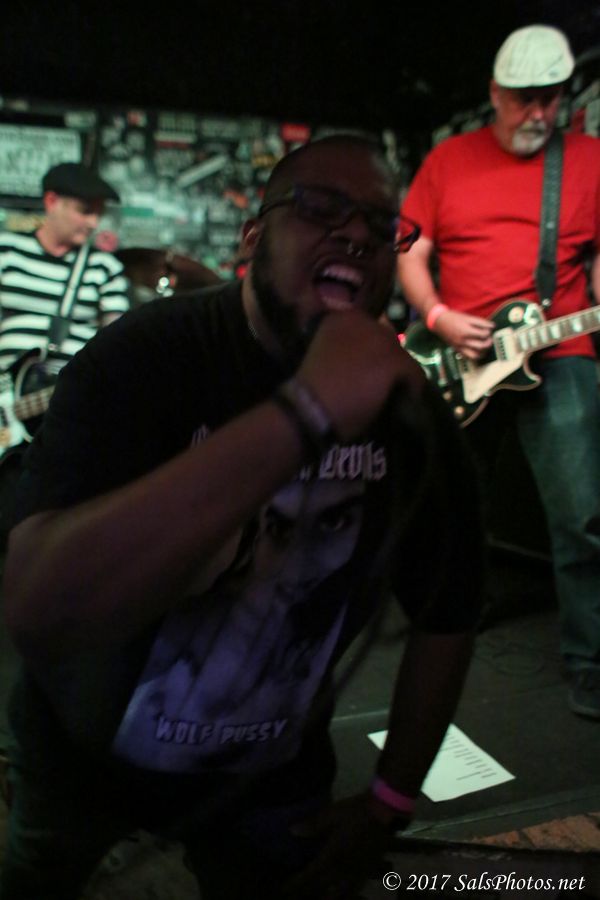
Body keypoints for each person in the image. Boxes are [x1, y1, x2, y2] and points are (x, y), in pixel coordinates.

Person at [0, 135, 483, 900]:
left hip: (272, 785)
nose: (356, 233)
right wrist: (308, 410)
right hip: (79, 770)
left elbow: (449, 608)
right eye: (321, 207)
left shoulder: (407, 409)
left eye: (380, 223)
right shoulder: (144, 355)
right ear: (254, 236)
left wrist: (390, 800)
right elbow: (39, 605)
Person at [397, 24, 600, 720]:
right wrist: (439, 315)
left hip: (560, 349)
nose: (537, 113)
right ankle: (448, 623)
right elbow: (410, 251)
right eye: (522, 99)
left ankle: (590, 664)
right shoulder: (448, 159)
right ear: (494, 93)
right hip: (462, 359)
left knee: (583, 515)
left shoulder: (589, 159)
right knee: (453, 504)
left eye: (551, 98)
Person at [0, 162, 130, 540]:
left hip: (65, 405)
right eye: (84, 210)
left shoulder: (103, 268)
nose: (93, 223)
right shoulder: (8, 252)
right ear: (51, 202)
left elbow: (121, 342)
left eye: (98, 213)